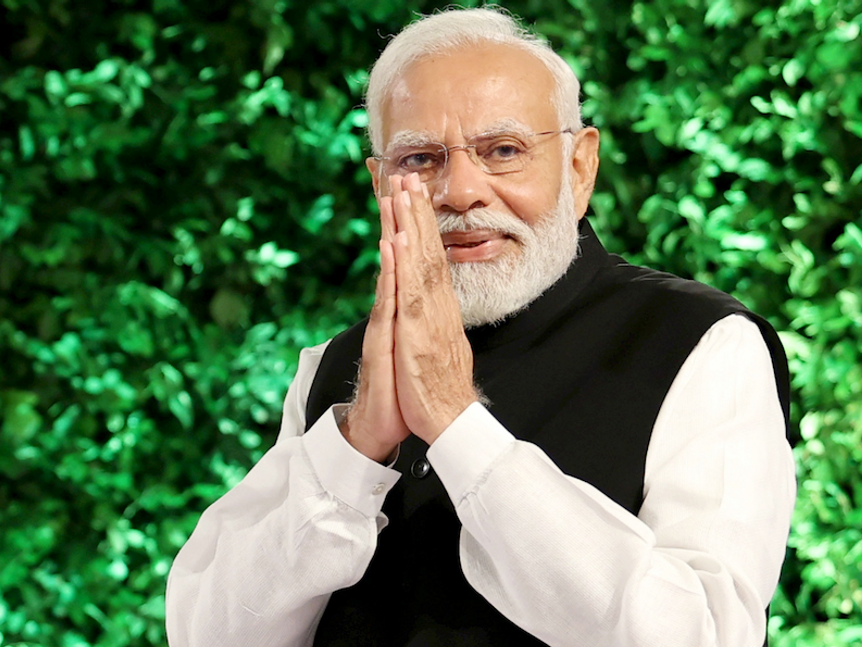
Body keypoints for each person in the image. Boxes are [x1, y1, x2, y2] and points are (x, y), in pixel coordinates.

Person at [165, 7, 795, 647]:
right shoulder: (334, 367)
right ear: (380, 184)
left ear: (579, 169)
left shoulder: (700, 344)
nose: (462, 191)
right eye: (420, 159)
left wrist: (457, 425)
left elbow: (703, 636)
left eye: (503, 150)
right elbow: (207, 634)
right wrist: (355, 446)